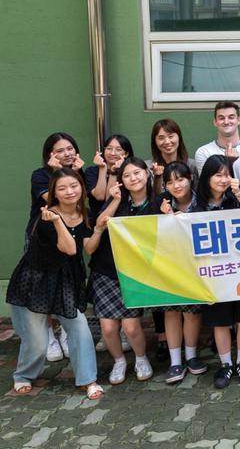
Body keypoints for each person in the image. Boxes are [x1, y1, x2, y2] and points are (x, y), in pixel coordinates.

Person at [7, 168, 104, 400]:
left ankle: (88, 379)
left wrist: (99, 228)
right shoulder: (47, 216)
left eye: (74, 186)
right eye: (62, 188)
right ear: (54, 193)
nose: (69, 191)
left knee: (79, 328)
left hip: (66, 280)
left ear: (81, 187)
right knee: (38, 340)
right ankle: (23, 374)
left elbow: (88, 248)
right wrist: (59, 221)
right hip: (36, 280)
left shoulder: (85, 213)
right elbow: (70, 249)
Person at [191, 155, 240, 389]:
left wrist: (239, 194)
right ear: (207, 177)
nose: (223, 179)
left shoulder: (235, 199)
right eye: (217, 174)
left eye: (227, 174)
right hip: (213, 274)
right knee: (220, 322)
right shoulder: (195, 205)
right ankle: (225, 364)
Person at [88, 157, 156, 385]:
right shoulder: (116, 201)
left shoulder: (158, 202)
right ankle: (118, 361)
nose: (133, 178)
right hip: (106, 270)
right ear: (121, 181)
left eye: (137, 173)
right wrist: (115, 200)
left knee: (131, 326)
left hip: (135, 274)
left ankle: (141, 357)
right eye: (127, 175)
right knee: (107, 328)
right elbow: (100, 223)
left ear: (146, 174)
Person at [29, 132, 85, 362]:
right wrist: (56, 174)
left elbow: (82, 199)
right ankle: (49, 335)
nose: (66, 153)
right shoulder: (40, 175)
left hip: (71, 233)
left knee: (69, 282)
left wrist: (79, 174)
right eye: (60, 150)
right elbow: (53, 200)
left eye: (70, 148)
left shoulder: (80, 172)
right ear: (49, 154)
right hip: (44, 238)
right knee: (46, 286)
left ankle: (64, 332)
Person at [156, 161, 207, 384]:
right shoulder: (160, 203)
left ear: (190, 179)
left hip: (196, 267)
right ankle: (175, 361)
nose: (176, 185)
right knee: (171, 311)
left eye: (180, 179)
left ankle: (192, 356)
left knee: (192, 313)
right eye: (170, 181)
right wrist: (166, 217)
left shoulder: (202, 201)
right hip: (169, 267)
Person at [194, 101, 240, 196]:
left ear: (238, 120)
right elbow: (207, 188)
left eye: (231, 117)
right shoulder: (204, 152)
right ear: (215, 122)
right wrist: (228, 162)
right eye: (221, 118)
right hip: (220, 209)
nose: (226, 122)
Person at [85, 134, 132, 222]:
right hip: (97, 220)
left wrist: (114, 171)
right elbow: (100, 196)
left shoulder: (130, 172)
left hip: (123, 219)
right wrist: (103, 168)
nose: (112, 153)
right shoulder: (91, 171)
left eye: (118, 149)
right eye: (109, 148)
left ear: (126, 154)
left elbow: (109, 199)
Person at [149, 118, 197, 193]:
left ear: (179, 137)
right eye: (161, 138)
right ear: (155, 141)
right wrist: (157, 178)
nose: (167, 142)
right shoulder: (149, 169)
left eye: (171, 136)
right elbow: (152, 199)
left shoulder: (192, 166)